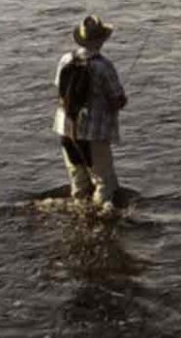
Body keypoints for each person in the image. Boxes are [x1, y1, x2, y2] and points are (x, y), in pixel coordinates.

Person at [55, 14, 128, 212]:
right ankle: (100, 223)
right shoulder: (104, 66)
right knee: (104, 182)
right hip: (93, 134)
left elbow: (59, 90)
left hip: (66, 129)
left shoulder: (65, 60)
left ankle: (80, 217)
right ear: (101, 40)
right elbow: (117, 100)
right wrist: (121, 101)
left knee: (78, 181)